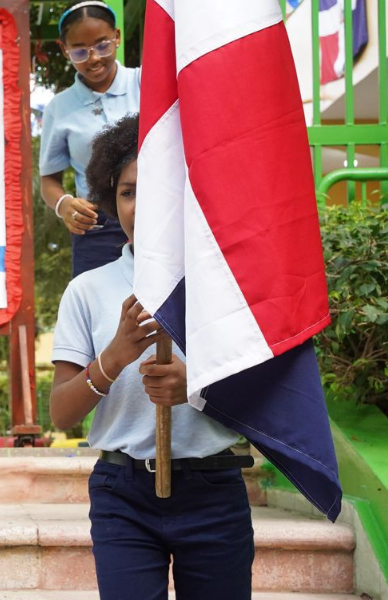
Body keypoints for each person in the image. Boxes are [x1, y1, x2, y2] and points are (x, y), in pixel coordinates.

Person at [48, 114, 254, 599]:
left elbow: (266, 398)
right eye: (128, 191)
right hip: (123, 493)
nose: (142, 206)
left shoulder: (225, 285)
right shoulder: (88, 290)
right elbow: (61, 414)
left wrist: (198, 389)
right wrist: (113, 358)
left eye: (159, 188)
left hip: (214, 489)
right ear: (110, 198)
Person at [39, 1, 136, 277]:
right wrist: (64, 204)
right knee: (99, 310)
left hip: (154, 216)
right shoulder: (60, 107)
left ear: (116, 36)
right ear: (64, 49)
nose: (93, 59)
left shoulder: (145, 83)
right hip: (96, 228)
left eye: (102, 45)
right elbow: (48, 181)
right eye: (79, 51)